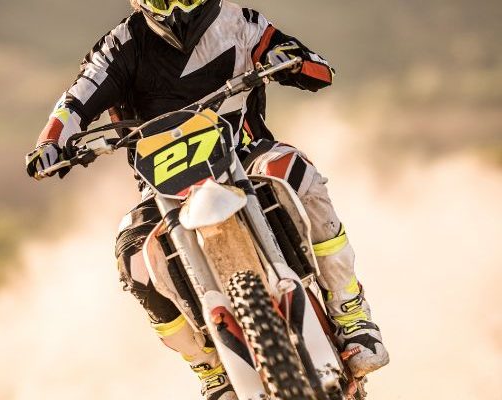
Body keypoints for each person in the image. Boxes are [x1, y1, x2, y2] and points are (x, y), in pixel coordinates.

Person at [26, 1, 390, 399]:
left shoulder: (241, 22)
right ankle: (210, 368)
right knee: (132, 257)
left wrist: (296, 61)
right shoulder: (119, 46)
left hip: (244, 155)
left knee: (294, 170)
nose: (177, 8)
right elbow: (73, 104)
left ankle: (350, 314)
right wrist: (50, 142)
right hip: (164, 186)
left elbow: (314, 66)